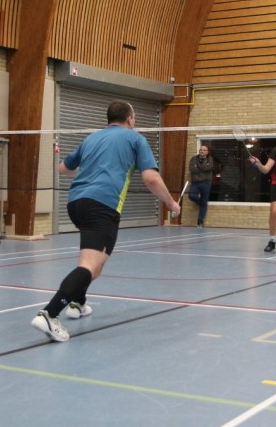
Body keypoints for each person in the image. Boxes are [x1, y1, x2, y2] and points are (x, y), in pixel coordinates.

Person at [31, 101, 180, 343]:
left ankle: (78, 303)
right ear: (130, 119)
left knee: (94, 263)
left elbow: (63, 168)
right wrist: (171, 204)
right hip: (102, 206)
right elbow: (151, 178)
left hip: (76, 204)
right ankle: (49, 314)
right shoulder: (135, 139)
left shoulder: (92, 138)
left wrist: (92, 169)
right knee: (90, 265)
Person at [187, 144, 218, 228]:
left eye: (204, 150)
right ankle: (201, 203)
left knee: (204, 201)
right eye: (201, 150)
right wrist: (202, 168)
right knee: (191, 196)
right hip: (195, 182)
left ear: (207, 152)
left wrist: (198, 167)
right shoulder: (194, 159)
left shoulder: (210, 159)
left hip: (206, 183)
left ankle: (200, 221)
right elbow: (192, 169)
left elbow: (209, 168)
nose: (202, 151)